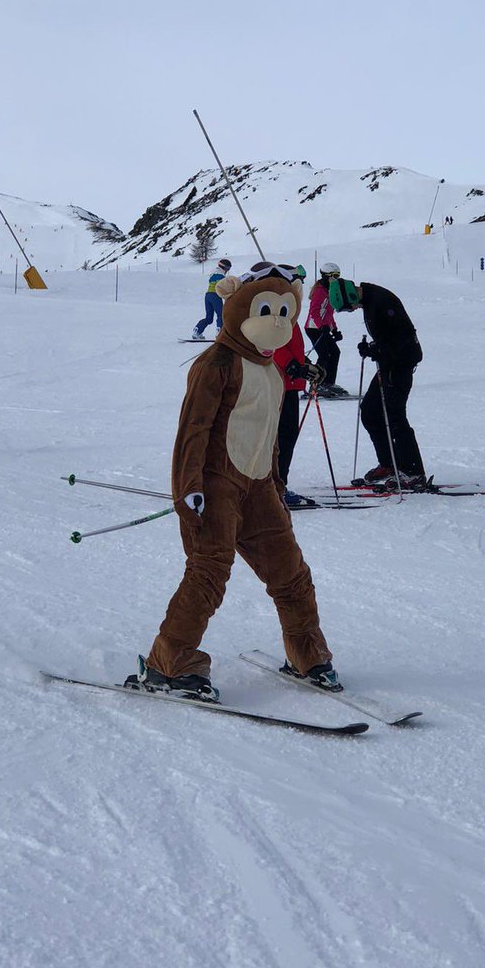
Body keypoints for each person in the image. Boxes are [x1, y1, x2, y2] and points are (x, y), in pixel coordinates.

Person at [126, 261, 338, 700]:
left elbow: (270, 435)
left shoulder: (271, 370)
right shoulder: (216, 363)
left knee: (291, 574)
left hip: (259, 487)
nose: (277, 323)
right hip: (215, 484)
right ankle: (169, 663)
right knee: (208, 572)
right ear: (239, 310)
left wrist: (276, 484)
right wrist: (188, 488)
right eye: (266, 312)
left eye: (284, 313)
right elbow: (192, 430)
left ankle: (307, 653)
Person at [328, 277, 427, 490]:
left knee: (394, 416)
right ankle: (389, 464)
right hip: (388, 364)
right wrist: (373, 347)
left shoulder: (382, 301)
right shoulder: (371, 300)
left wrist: (378, 350)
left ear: (351, 295)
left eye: (348, 307)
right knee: (371, 411)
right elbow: (388, 335)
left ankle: (413, 471)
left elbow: (402, 337)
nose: (352, 310)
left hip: (399, 365)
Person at [272, 266, 326, 509]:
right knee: (280, 438)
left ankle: (276, 485)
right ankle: (274, 489)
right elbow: (274, 344)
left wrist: (307, 366)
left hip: (289, 384)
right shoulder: (279, 311)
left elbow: (289, 346)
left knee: (285, 437)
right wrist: (294, 366)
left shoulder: (288, 312)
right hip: (279, 385)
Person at [304, 262, 348, 397]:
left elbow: (329, 313)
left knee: (335, 352)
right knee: (325, 355)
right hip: (313, 328)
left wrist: (334, 329)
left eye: (337, 276)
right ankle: (316, 385)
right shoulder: (319, 291)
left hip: (322, 328)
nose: (335, 279)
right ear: (325, 276)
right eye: (332, 276)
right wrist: (321, 326)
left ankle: (328, 383)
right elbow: (314, 311)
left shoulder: (330, 291)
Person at [191, 257, 231, 339]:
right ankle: (219, 333)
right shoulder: (220, 275)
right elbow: (222, 286)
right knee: (221, 315)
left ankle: (197, 331)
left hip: (208, 296)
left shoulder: (213, 273)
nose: (228, 271)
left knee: (209, 318)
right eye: (228, 268)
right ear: (225, 267)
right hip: (215, 296)